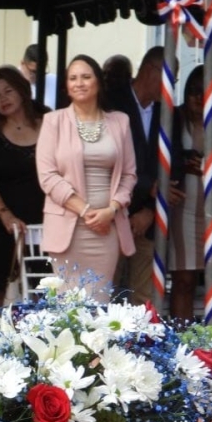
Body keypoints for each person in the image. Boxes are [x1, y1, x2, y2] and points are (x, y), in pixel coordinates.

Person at [36, 54, 136, 298]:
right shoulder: (53, 121)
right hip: (69, 228)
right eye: (73, 78)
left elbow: (129, 174)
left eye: (85, 77)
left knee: (99, 302)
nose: (79, 83)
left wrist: (110, 210)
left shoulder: (120, 121)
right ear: (66, 86)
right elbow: (47, 176)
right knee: (67, 305)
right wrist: (86, 211)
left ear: (99, 82)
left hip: (107, 227)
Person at [0, 66, 45, 310]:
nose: (3, 99)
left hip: (45, 221)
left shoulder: (50, 121)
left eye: (8, 91)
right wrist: (5, 214)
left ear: (22, 90)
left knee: (45, 287)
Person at [107, 46, 164, 306]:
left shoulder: (167, 112)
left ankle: (140, 347)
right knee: (104, 292)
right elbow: (105, 161)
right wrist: (144, 189)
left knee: (144, 299)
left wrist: (151, 210)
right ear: (151, 71)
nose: (172, 86)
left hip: (149, 220)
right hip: (111, 213)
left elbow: (169, 167)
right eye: (169, 78)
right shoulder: (110, 102)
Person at [168, 68, 207, 322]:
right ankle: (182, 344)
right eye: (192, 91)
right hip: (184, 208)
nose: (197, 97)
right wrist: (183, 162)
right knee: (184, 279)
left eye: (203, 92)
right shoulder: (175, 117)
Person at [21, 43, 57, 108]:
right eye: (33, 71)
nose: (38, 76)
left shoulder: (55, 81)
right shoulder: (11, 84)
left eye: (41, 72)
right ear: (22, 64)